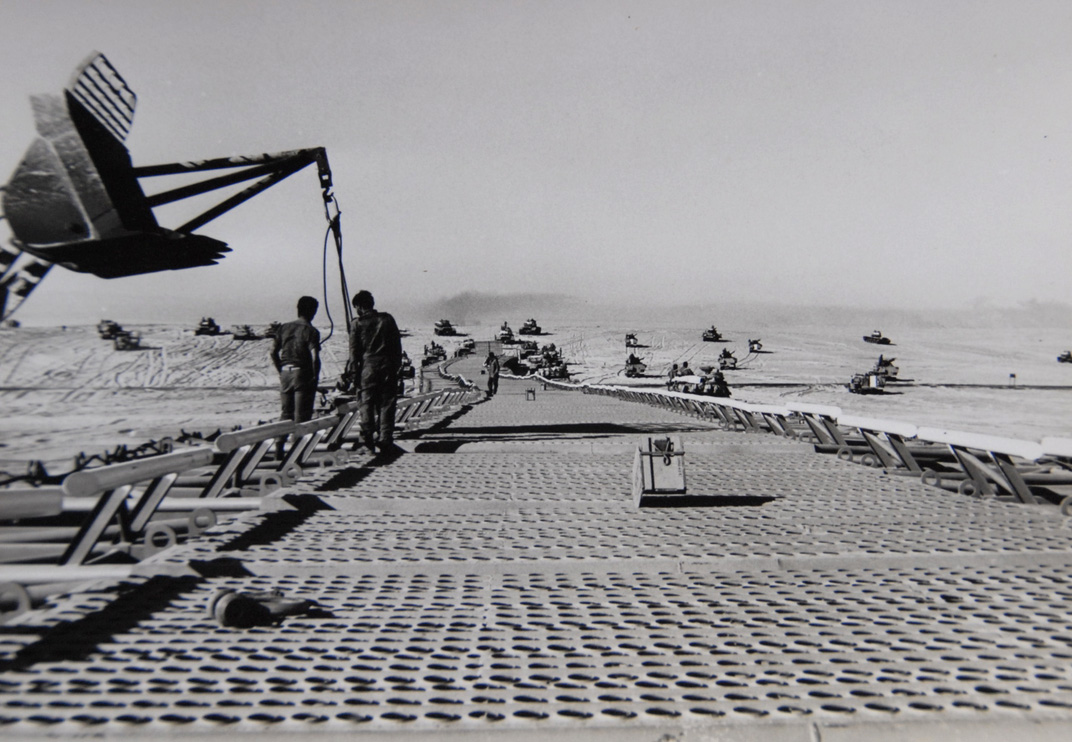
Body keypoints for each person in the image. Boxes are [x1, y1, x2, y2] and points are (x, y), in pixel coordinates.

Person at [349, 290, 403, 454]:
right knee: (386, 404)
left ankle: (368, 441)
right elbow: (397, 346)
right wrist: (395, 367)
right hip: (387, 367)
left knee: (366, 404)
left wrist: (353, 375)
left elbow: (354, 353)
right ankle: (385, 439)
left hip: (368, 369)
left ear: (359, 306)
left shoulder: (357, 324)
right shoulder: (387, 319)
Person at [270, 296, 321, 423]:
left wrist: (281, 371)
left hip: (285, 373)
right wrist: (315, 377)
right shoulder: (311, 331)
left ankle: (281, 436)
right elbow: (315, 357)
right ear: (313, 311)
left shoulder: (283, 328)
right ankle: (298, 437)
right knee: (302, 417)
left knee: (286, 415)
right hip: (302, 374)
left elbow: (273, 352)